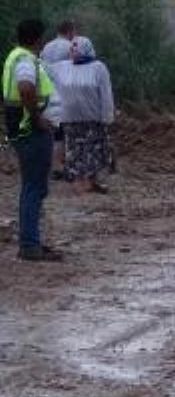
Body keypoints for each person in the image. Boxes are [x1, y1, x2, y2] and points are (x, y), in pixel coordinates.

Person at [3, 19, 61, 261]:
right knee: (34, 188)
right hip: (31, 132)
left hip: (23, 130)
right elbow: (26, 89)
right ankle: (29, 245)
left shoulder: (14, 57)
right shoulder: (25, 60)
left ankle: (30, 241)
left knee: (33, 187)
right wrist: (37, 119)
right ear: (38, 39)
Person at [51, 37, 115, 194]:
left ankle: (91, 181)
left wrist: (108, 115)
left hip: (93, 119)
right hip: (70, 119)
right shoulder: (62, 67)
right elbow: (48, 79)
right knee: (74, 151)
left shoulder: (98, 68)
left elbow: (106, 93)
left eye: (76, 48)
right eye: (72, 49)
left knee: (93, 150)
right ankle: (78, 181)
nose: (73, 52)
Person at [39, 19, 74, 179]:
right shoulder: (69, 47)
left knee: (51, 131)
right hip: (63, 92)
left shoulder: (46, 47)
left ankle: (50, 164)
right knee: (63, 132)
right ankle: (59, 167)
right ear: (70, 31)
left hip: (46, 92)